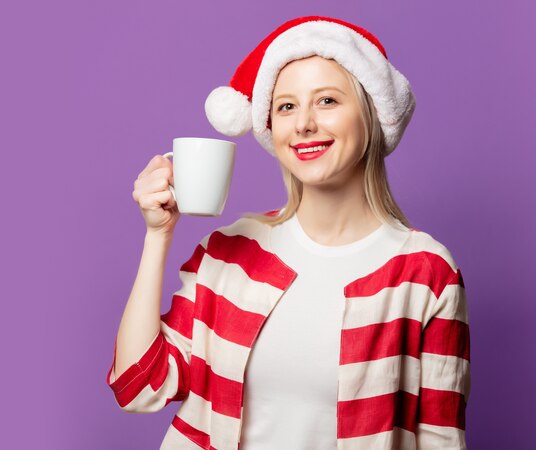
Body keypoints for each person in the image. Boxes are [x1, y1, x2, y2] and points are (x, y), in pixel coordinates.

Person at [106, 15, 470, 450]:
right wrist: (157, 237)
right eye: (286, 106)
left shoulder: (425, 273)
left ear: (372, 114)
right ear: (270, 126)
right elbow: (137, 386)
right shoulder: (229, 254)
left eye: (328, 101)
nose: (303, 125)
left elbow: (440, 439)